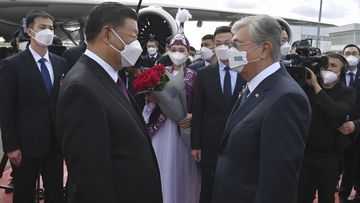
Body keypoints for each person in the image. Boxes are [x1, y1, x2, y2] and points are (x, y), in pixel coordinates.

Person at [55, 3, 162, 203]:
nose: (136, 43)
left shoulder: (109, 77)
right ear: (107, 35)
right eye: (133, 35)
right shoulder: (82, 88)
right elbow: (90, 176)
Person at [211, 15, 311, 203]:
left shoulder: (286, 98)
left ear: (264, 49)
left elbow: (278, 182)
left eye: (238, 45)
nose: (230, 52)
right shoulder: (253, 86)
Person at [0, 10, 66, 203]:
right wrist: (11, 146)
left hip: (55, 143)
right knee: (24, 192)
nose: (48, 31)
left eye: (51, 28)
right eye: (42, 27)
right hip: (26, 146)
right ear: (30, 31)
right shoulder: (12, 65)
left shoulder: (61, 63)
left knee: (55, 191)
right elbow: (6, 108)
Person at [143, 33, 200, 203]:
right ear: (168, 50)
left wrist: (193, 116)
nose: (177, 53)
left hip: (184, 130)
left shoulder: (195, 75)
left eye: (181, 50)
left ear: (188, 51)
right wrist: (151, 101)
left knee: (183, 170)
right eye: (173, 49)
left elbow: (200, 103)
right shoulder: (160, 74)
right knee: (162, 166)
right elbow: (152, 103)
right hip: (162, 129)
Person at [191, 26, 246, 203]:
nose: (223, 47)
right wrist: (195, 145)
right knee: (209, 187)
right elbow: (198, 111)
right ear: (213, 46)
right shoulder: (204, 74)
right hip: (211, 140)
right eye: (218, 43)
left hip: (240, 140)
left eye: (227, 43)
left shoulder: (246, 72)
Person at [297, 53, 356, 203]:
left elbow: (335, 111)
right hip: (305, 154)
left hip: (330, 157)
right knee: (302, 197)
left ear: (341, 72)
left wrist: (316, 86)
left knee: (326, 197)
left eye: (334, 66)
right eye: (325, 65)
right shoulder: (306, 87)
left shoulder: (347, 92)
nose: (328, 68)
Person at [339, 44, 360, 203]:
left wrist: (356, 124)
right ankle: (341, 194)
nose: (351, 56)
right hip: (336, 130)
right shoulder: (335, 75)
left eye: (354, 53)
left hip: (356, 131)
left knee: (355, 166)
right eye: (347, 53)